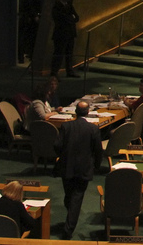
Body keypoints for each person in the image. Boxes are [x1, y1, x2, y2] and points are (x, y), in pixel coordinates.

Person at [54, 101, 102, 238]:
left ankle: (67, 230)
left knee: (71, 197)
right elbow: (98, 151)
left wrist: (62, 156)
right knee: (73, 199)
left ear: (76, 111)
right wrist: (96, 166)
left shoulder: (66, 126)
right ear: (87, 112)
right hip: (84, 168)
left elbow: (57, 145)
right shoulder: (93, 129)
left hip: (67, 167)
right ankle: (70, 221)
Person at [50, 0, 80, 77]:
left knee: (69, 53)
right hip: (61, 34)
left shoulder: (69, 5)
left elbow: (76, 17)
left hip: (70, 33)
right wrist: (71, 18)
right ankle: (54, 73)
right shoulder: (57, 6)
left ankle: (69, 70)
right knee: (59, 54)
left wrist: (71, 19)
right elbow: (62, 18)